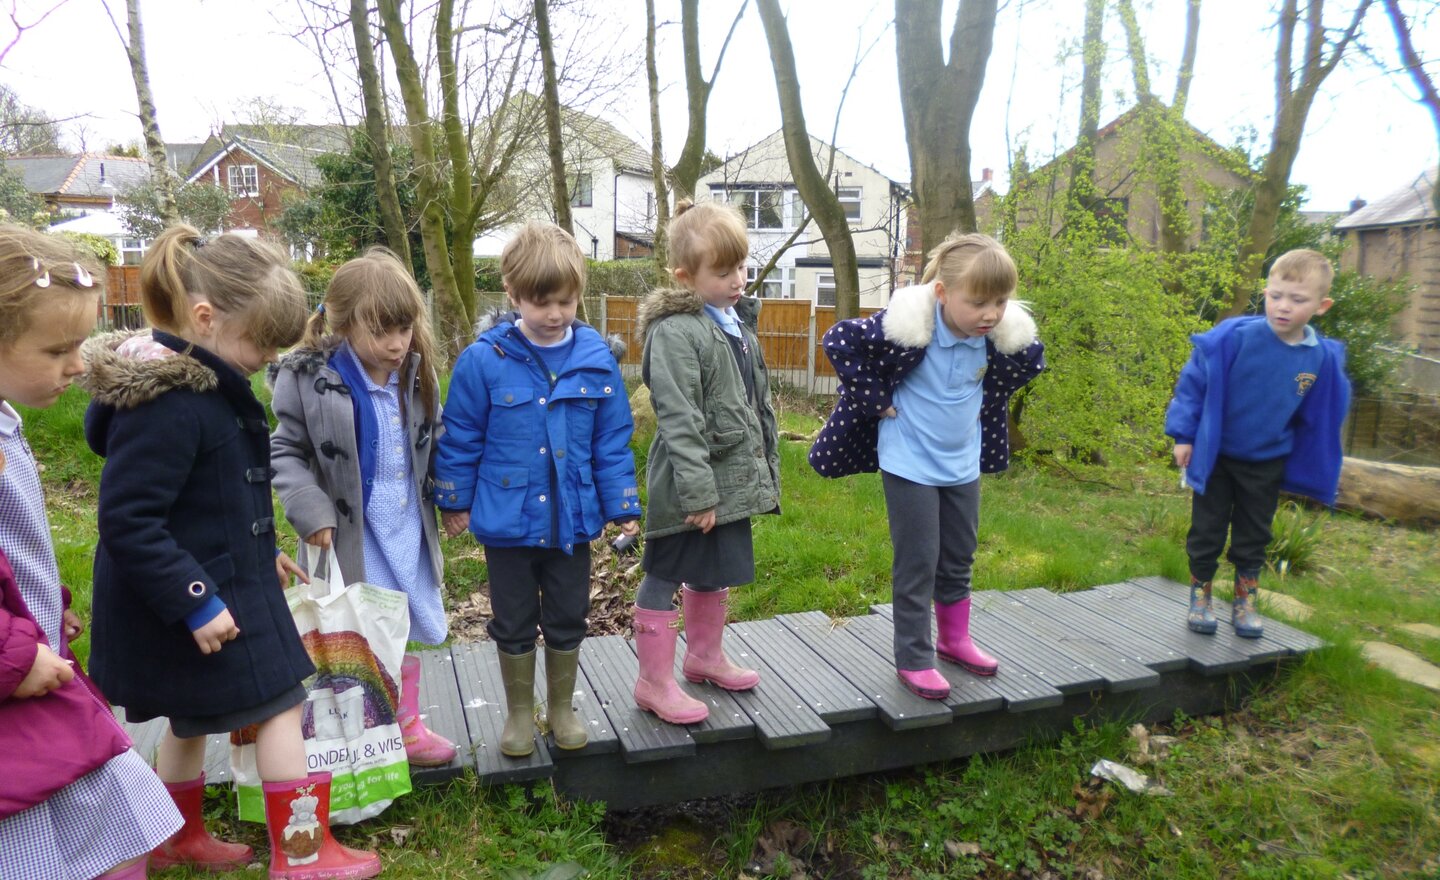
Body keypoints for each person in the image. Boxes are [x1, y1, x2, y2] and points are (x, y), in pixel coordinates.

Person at [82, 225, 381, 879]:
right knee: (280, 703)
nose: (265, 358)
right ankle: (303, 855)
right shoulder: (170, 404)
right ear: (205, 318)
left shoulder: (201, 386)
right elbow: (129, 520)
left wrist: (262, 552)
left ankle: (174, 834)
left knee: (192, 718)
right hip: (193, 600)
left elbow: (212, 497)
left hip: (224, 582)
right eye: (259, 343)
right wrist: (194, 601)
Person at [0, 225, 182, 880]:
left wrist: (49, 608)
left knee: (117, 811)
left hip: (35, 659)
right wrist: (13, 651)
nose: (78, 365)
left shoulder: (5, 419)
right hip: (14, 680)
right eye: (57, 349)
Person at [434, 222, 641, 757]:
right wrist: (454, 500)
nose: (554, 314)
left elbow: (612, 441)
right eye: (541, 302)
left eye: (566, 302)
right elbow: (460, 435)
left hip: (571, 520)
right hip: (508, 520)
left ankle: (564, 708)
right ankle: (521, 715)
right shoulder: (484, 360)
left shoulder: (597, 360)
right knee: (513, 616)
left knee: (570, 612)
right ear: (512, 294)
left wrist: (621, 505)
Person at [809, 232, 1045, 700]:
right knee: (919, 560)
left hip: (962, 464)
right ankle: (915, 657)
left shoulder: (995, 337)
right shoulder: (910, 328)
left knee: (959, 555)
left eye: (1000, 302)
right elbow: (838, 339)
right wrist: (876, 401)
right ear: (942, 293)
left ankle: (954, 640)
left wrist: (993, 393)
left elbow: (1028, 361)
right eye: (978, 302)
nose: (990, 313)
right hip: (910, 462)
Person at [270, 247, 456, 768]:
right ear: (343, 324)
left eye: (404, 329)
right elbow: (286, 450)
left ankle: (405, 725)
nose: (397, 344)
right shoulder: (310, 378)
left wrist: (452, 497)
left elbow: (433, 438)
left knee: (401, 623)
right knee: (355, 628)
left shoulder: (416, 374)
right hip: (349, 533)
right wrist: (310, 511)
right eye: (382, 332)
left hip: (405, 526)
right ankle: (358, 731)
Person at [631, 200, 780, 726]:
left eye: (742, 267)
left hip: (726, 479)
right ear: (684, 276)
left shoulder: (734, 321)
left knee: (713, 570)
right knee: (666, 569)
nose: (738, 280)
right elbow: (679, 417)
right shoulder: (676, 332)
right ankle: (653, 680)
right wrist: (698, 494)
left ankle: (704, 657)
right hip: (689, 484)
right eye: (723, 272)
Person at [1165, 248, 1351, 638]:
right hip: (1216, 457)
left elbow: (1321, 416)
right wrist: (1184, 435)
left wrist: (1314, 467)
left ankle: (1245, 600)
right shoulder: (1234, 339)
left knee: (1254, 534)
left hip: (1266, 461)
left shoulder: (1321, 358)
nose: (1283, 307)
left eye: (1298, 300)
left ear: (1322, 305)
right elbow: (1193, 386)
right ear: (1265, 291)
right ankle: (1200, 596)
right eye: (1275, 295)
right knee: (1207, 530)